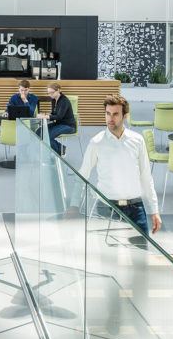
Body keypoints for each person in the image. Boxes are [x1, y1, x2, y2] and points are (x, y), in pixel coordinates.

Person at [80, 95, 162, 235]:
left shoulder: (137, 140)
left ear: (125, 116)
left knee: (140, 254)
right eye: (107, 113)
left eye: (115, 114)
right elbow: (83, 174)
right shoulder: (96, 142)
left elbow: (146, 178)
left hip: (135, 208)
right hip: (106, 207)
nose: (110, 118)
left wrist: (154, 210)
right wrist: (74, 206)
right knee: (107, 257)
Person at [41, 81, 76, 154]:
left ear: (58, 90)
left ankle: (59, 152)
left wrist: (47, 116)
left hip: (68, 126)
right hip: (59, 123)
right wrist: (46, 115)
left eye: (52, 92)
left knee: (48, 136)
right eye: (49, 93)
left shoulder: (64, 101)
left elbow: (59, 116)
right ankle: (60, 148)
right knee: (40, 131)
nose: (50, 95)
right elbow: (54, 113)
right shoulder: (54, 99)